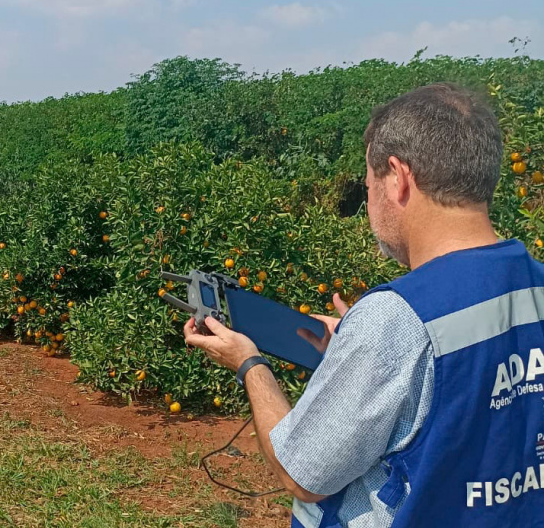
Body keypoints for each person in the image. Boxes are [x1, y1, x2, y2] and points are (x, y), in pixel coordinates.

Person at [184, 82, 544, 527]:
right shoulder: (535, 284)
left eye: (369, 184)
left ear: (398, 176)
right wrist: (364, 350)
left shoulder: (396, 320)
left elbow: (303, 475)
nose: (370, 200)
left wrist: (249, 363)